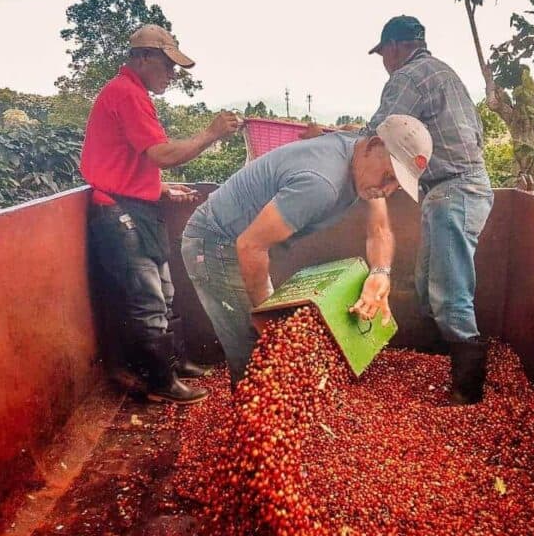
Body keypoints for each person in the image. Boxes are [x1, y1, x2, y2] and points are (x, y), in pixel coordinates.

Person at [309, 16, 494, 405]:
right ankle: (442, 362)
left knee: (448, 290)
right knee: (429, 284)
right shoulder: (444, 74)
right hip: (463, 187)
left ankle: (468, 392)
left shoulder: (408, 77)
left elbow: (377, 138)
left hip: (453, 189)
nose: (384, 62)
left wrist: (326, 141)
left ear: (393, 46)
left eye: (382, 54)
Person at [181, 115, 432, 390]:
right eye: (387, 177)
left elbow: (380, 230)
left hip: (249, 242)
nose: (385, 190)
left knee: (269, 349)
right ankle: (254, 422)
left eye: (395, 187)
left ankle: (268, 415)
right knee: (257, 351)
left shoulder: (359, 152)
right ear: (373, 145)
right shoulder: (321, 184)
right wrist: (271, 321)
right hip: (215, 241)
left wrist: (380, 273)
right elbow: (250, 247)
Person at [80, 24, 239, 404]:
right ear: (144, 58)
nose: (172, 74)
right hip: (119, 211)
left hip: (137, 204)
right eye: (168, 65)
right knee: (148, 299)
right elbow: (161, 154)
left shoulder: (133, 93)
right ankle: (159, 381)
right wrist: (210, 134)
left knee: (165, 292)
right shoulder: (126, 94)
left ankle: (174, 361)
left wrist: (159, 187)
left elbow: (128, 160)